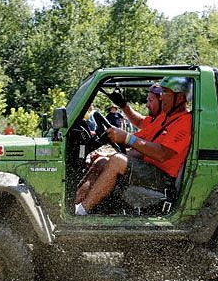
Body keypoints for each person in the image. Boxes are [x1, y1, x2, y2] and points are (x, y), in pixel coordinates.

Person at [74, 77, 192, 216]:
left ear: (180, 97)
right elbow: (142, 146)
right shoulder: (164, 118)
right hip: (148, 169)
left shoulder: (185, 122)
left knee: (117, 161)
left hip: (163, 178)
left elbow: (162, 154)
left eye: (165, 92)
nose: (161, 96)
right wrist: (108, 154)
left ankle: (82, 211)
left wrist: (127, 137)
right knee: (102, 162)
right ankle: (74, 204)